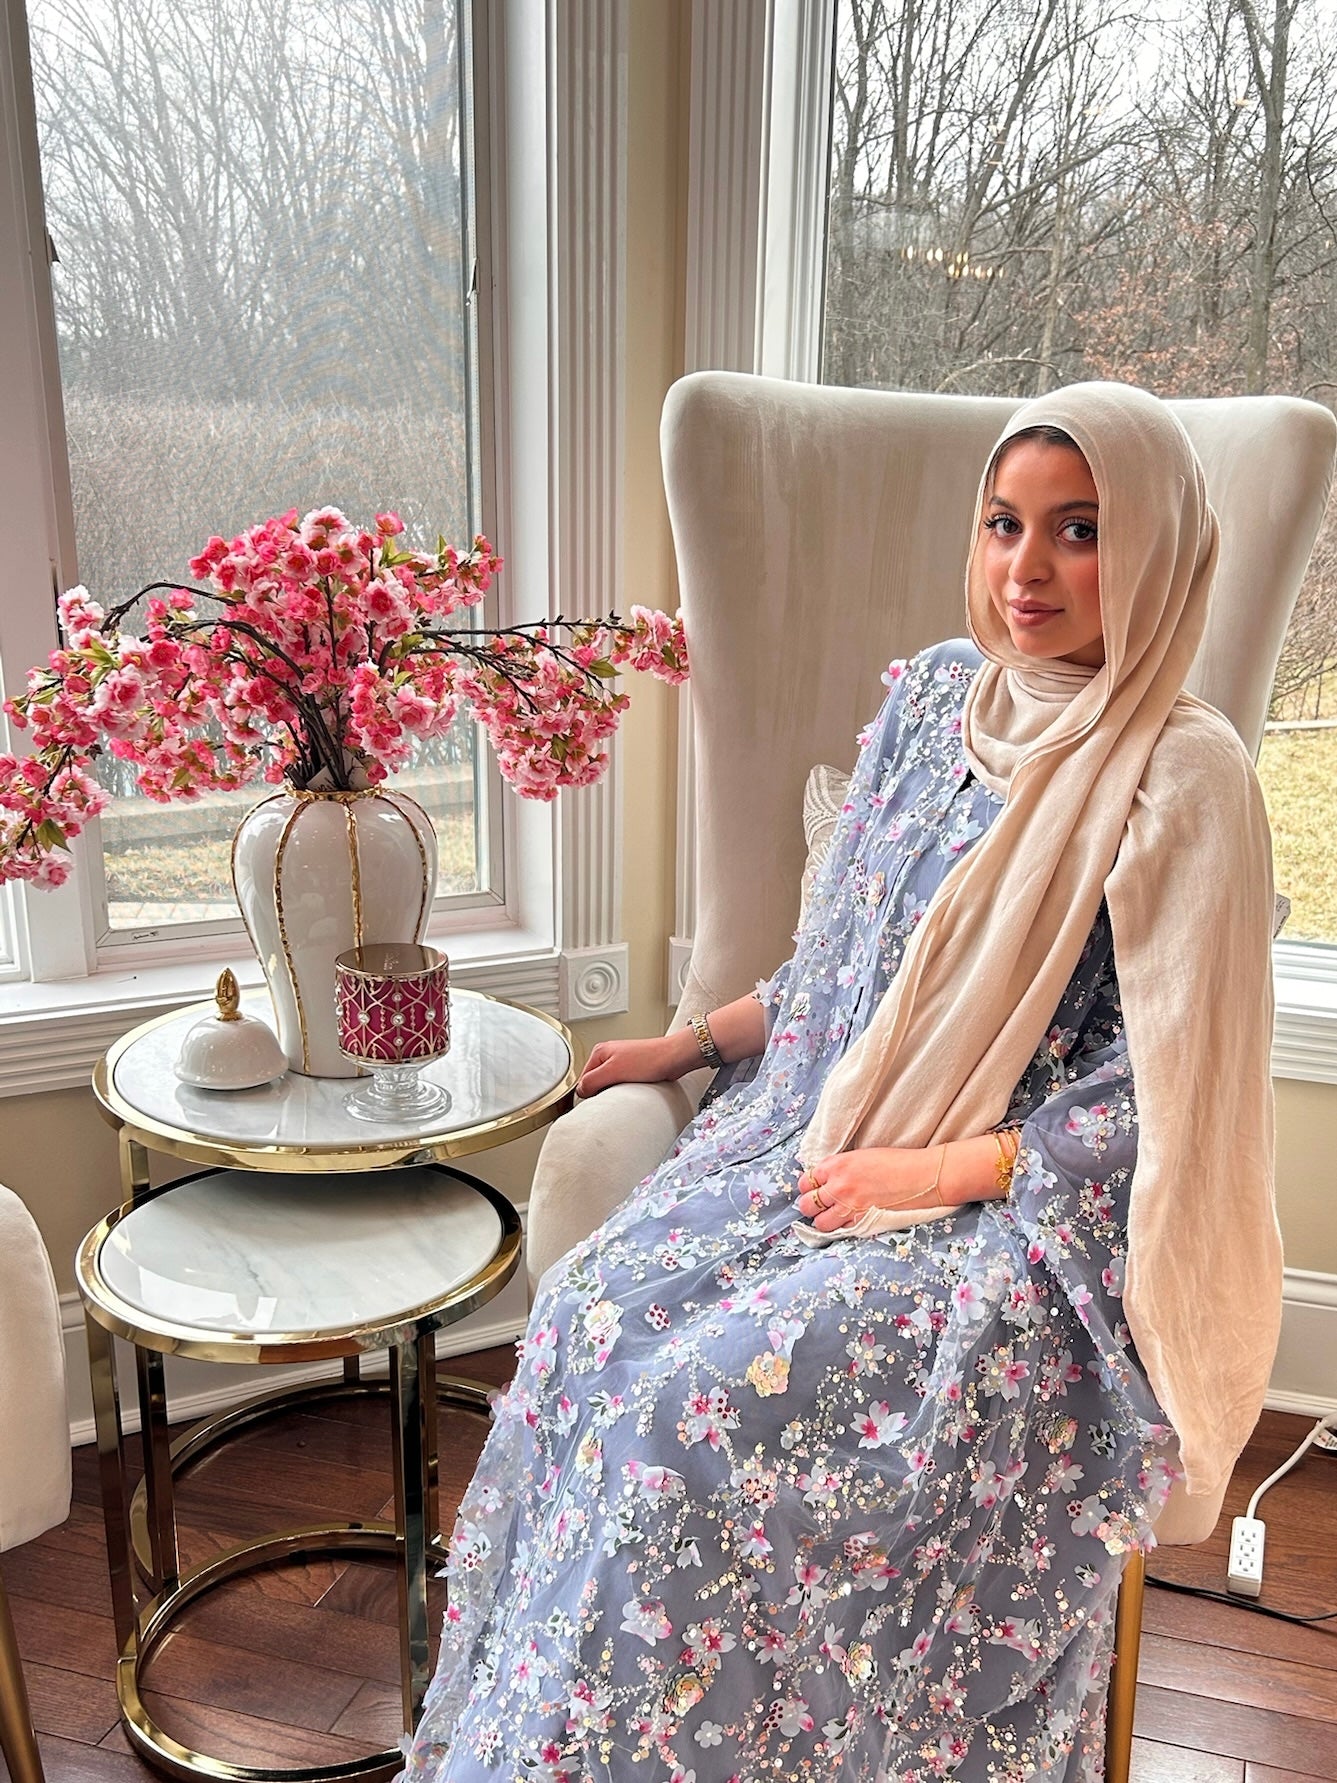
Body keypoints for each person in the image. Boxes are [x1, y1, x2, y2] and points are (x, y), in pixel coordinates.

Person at [399, 383, 1280, 1782]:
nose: (1024, 570)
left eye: (1079, 531)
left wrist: (936, 1172)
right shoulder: (940, 698)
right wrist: (695, 1043)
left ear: (1162, 547)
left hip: (1016, 1226)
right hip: (815, 1136)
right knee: (587, 1322)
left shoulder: (1186, 779)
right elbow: (846, 963)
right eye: (1003, 525)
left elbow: (1166, 1100)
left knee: (697, 1424)